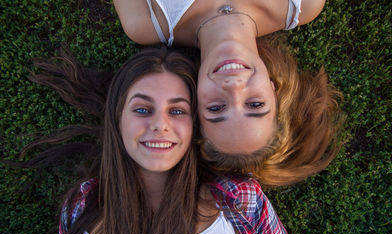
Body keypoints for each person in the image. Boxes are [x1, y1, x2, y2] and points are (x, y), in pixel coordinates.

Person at [25, 47, 304, 234]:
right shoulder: (82, 204)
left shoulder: (240, 200)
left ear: (195, 123)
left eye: (178, 111)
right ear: (118, 119)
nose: (160, 125)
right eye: (143, 110)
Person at [113, 0, 344, 186]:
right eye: (255, 104)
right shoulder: (303, 5)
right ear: (274, 89)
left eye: (216, 108)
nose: (234, 87)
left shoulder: (145, 21)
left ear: (195, 101)